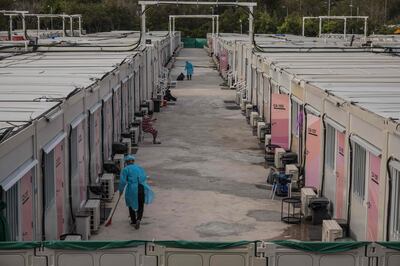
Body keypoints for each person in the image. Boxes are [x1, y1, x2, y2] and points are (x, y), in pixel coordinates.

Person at [118, 155, 154, 229]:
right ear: (133, 161)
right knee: (141, 205)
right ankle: (139, 219)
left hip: (132, 189)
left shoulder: (125, 169)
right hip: (141, 187)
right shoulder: (139, 168)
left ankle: (133, 220)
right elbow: (144, 177)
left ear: (126, 162)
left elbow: (122, 182)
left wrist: (120, 191)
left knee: (131, 204)